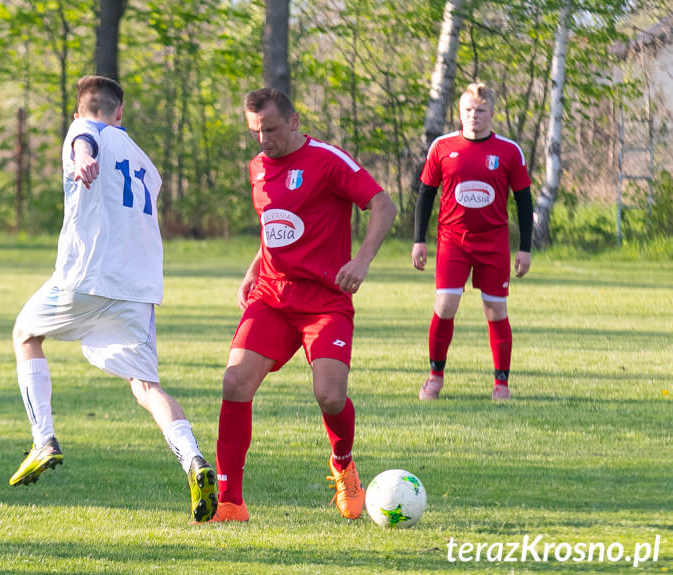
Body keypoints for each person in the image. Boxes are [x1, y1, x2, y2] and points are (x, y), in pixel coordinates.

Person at [9, 75, 217, 523]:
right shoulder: (146, 163)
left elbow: (84, 139)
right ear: (121, 112)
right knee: (146, 387)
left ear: (81, 108)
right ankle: (194, 459)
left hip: (87, 277)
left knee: (26, 333)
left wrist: (81, 153)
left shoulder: (83, 130)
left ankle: (44, 439)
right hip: (138, 290)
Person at [210, 88, 397, 522]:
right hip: (273, 297)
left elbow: (382, 205)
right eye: (256, 131)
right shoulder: (257, 167)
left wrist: (362, 260)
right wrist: (256, 266)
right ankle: (230, 501)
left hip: (325, 300)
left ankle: (344, 465)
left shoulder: (329, 160)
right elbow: (276, 225)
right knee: (235, 383)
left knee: (330, 397)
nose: (263, 139)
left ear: (294, 122)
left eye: (271, 129)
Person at [412, 82, 533, 401]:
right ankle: (435, 377)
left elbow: (524, 201)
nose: (473, 116)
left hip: (493, 243)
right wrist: (418, 240)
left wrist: (525, 247)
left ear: (491, 114)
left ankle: (501, 384)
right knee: (445, 305)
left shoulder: (509, 151)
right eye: (468, 110)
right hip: (452, 241)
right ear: (460, 112)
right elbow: (425, 194)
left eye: (480, 111)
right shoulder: (442, 146)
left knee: (495, 310)